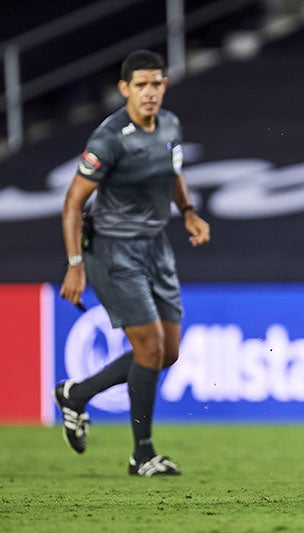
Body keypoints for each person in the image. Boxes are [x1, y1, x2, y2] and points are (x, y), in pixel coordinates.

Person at [55, 49, 210, 477]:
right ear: (124, 89)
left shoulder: (171, 125)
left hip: (155, 246)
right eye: (140, 85)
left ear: (165, 85)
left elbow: (172, 171)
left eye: (156, 83)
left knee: (168, 351)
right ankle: (142, 454)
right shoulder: (109, 138)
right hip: (112, 250)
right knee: (148, 347)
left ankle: (76, 394)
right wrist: (74, 264)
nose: (150, 92)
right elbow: (72, 203)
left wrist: (190, 211)